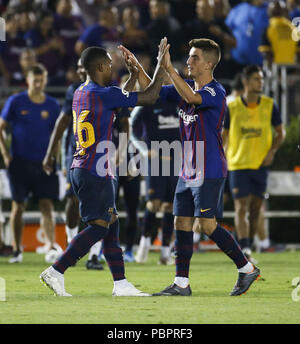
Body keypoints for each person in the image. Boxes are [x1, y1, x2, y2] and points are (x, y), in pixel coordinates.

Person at [120, 38, 260, 297]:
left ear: (208, 63)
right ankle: (181, 283)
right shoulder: (184, 89)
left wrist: (169, 69)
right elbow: (152, 92)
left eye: (194, 57)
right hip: (188, 168)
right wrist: (137, 67)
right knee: (181, 221)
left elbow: (193, 97)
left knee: (206, 226)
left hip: (209, 167)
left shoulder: (216, 92)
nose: (189, 61)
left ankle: (246, 267)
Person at [40, 38, 169, 297]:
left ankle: (120, 283)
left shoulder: (81, 92)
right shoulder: (104, 93)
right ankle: (56, 270)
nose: (112, 68)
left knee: (110, 222)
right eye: (109, 65)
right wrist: (161, 65)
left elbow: (119, 103)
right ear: (99, 67)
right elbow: (152, 95)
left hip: (82, 165)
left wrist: (132, 76)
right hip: (94, 168)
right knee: (99, 226)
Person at [42, 58, 104, 271]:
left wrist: (120, 154)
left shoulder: (109, 91)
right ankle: (72, 244)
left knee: (102, 205)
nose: (79, 70)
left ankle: (94, 255)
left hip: (103, 154)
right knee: (72, 199)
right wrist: (51, 153)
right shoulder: (73, 90)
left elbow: (124, 122)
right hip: (76, 153)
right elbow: (63, 121)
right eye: (77, 66)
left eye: (82, 66)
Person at [222, 64, 286, 262]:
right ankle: (246, 250)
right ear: (246, 82)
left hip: (260, 164)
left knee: (256, 209)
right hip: (238, 164)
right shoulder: (232, 107)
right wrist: (219, 157)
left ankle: (250, 243)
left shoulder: (269, 105)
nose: (261, 83)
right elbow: (223, 136)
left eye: (262, 79)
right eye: (257, 79)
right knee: (241, 207)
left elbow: (281, 133)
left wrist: (272, 152)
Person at [0, 63, 61, 263]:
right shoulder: (16, 101)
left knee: (47, 205)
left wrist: (55, 157)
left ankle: (51, 246)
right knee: (18, 205)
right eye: (34, 79)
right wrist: (6, 156)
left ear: (45, 80)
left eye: (41, 79)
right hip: (20, 162)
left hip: (44, 163)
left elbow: (57, 135)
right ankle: (17, 250)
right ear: (27, 80)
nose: (38, 83)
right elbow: (0, 127)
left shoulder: (52, 105)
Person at [130, 74, 180, 265]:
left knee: (170, 206)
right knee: (153, 204)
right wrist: (144, 150)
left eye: (171, 79)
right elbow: (132, 127)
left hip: (175, 161)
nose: (168, 83)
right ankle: (143, 246)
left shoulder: (180, 102)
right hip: (155, 161)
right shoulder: (149, 103)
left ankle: (165, 252)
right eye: (165, 79)